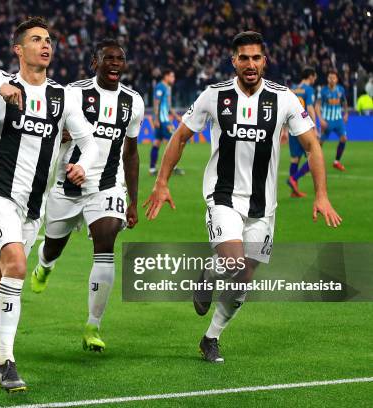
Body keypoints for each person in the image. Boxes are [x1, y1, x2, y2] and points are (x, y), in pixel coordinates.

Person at [144, 31, 341, 363]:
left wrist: (321, 194)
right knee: (233, 263)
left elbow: (311, 145)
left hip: (264, 207)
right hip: (222, 197)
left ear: (265, 60)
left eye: (256, 57)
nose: (250, 64)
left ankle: (211, 338)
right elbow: (180, 137)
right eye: (244, 58)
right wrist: (161, 182)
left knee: (244, 279)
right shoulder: (213, 96)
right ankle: (207, 275)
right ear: (233, 61)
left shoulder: (285, 98)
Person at [0, 17, 98, 392]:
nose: (46, 45)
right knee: (16, 262)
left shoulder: (63, 97)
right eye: (36, 39)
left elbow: (90, 139)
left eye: (48, 40)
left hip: (33, 204)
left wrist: (83, 164)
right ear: (19, 49)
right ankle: (6, 362)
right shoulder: (2, 83)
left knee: (0, 279)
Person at [30, 39, 144, 352]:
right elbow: (46, 129)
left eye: (120, 58)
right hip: (68, 186)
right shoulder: (73, 94)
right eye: (108, 58)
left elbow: (131, 153)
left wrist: (133, 200)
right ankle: (45, 265)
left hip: (107, 185)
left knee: (106, 241)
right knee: (53, 246)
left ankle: (92, 327)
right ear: (95, 63)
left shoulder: (133, 102)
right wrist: (60, 132)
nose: (115, 64)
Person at [286, 66, 317, 197]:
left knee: (295, 158)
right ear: (311, 76)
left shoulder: (293, 88)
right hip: (304, 126)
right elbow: (309, 108)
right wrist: (314, 126)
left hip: (292, 126)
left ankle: (294, 191)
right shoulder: (309, 89)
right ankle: (294, 178)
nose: (315, 79)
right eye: (315, 76)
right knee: (314, 156)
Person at [149, 69, 184, 176]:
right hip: (163, 121)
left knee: (157, 142)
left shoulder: (168, 88)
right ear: (166, 76)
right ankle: (173, 167)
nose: (173, 79)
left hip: (163, 120)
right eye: (172, 76)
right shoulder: (160, 87)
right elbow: (156, 103)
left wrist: (177, 117)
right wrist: (156, 119)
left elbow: (168, 106)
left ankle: (152, 169)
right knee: (175, 142)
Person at [316, 70, 348, 171]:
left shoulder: (341, 90)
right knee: (320, 142)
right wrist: (320, 119)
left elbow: (344, 102)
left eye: (333, 78)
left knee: (343, 138)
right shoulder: (323, 91)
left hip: (338, 120)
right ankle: (315, 161)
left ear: (337, 79)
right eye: (330, 78)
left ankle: (336, 162)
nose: (332, 80)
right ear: (327, 79)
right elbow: (317, 105)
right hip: (327, 121)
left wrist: (346, 113)